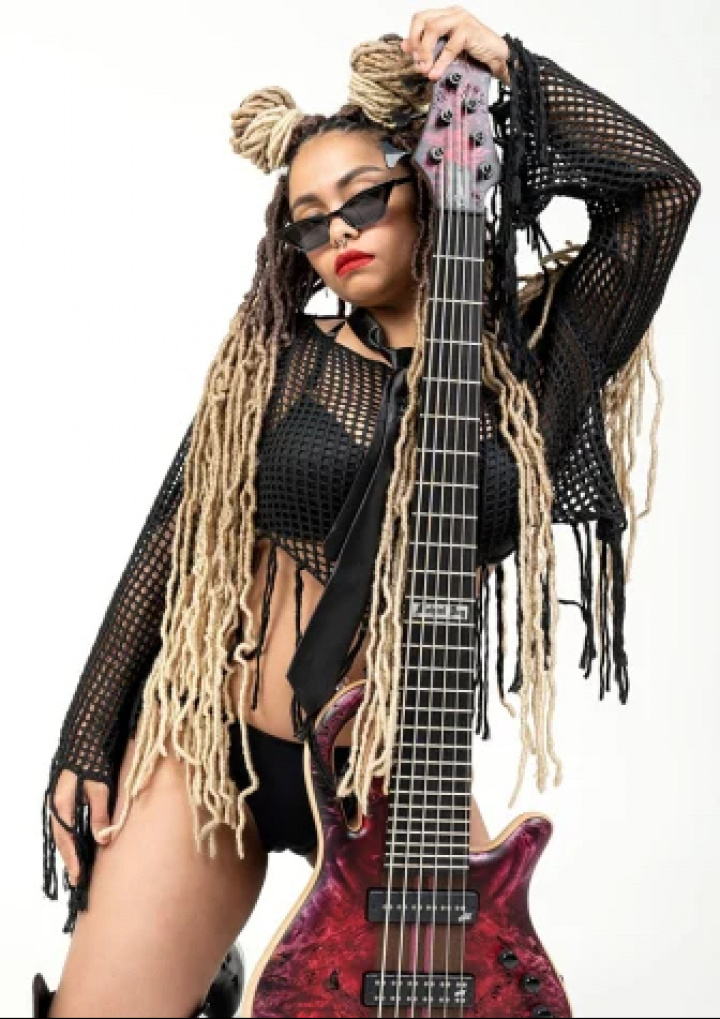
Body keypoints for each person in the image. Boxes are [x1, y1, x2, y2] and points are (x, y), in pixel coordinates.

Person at [34, 8, 701, 1018]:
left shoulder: (536, 365)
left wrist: (511, 68)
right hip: (216, 748)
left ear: (426, 185)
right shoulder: (280, 358)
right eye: (310, 220)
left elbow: (662, 195)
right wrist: (87, 734)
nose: (338, 231)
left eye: (361, 198)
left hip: (396, 774)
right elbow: (170, 536)